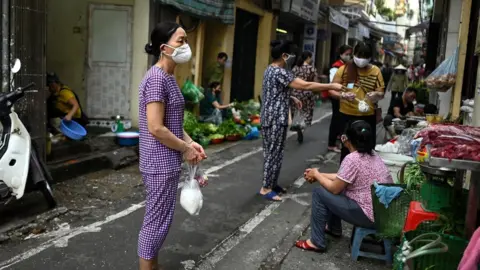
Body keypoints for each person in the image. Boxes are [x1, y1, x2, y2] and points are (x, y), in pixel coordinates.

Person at [138, 21, 207, 270]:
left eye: (186, 40)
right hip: (158, 162)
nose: (185, 46)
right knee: (155, 224)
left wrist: (190, 142)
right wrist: (184, 149)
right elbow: (156, 127)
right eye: (181, 41)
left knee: (160, 222)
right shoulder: (157, 78)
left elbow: (172, 122)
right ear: (164, 48)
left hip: (166, 161)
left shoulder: (167, 77)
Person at [259, 40, 344, 201]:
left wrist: (290, 97)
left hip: (270, 116)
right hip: (275, 118)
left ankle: (272, 183)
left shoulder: (270, 70)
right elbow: (306, 85)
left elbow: (273, 91)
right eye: (291, 55)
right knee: (273, 153)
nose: (293, 58)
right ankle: (266, 188)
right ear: (284, 55)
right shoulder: (280, 72)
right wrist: (331, 85)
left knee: (276, 152)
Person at [295, 120, 393, 252]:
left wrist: (317, 175)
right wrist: (319, 174)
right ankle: (333, 228)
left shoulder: (352, 159)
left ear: (347, 139)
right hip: (382, 213)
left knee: (320, 193)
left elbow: (335, 188)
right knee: (339, 188)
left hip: (368, 216)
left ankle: (316, 242)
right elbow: (342, 178)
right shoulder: (372, 154)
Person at [329, 42, 385, 164]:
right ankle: (345, 176)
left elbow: (381, 93)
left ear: (370, 57)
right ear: (354, 55)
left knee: (367, 149)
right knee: (346, 148)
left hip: (367, 117)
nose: (362, 59)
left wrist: (376, 95)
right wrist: (342, 95)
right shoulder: (343, 70)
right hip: (346, 116)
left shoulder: (376, 71)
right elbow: (331, 90)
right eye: (360, 55)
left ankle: (366, 177)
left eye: (366, 56)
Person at [328, 45, 352, 152]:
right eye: (346, 54)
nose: (348, 56)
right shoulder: (336, 67)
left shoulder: (348, 66)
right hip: (337, 96)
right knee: (336, 120)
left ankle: (339, 139)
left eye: (349, 54)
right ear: (341, 54)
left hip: (345, 96)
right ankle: (331, 144)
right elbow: (332, 83)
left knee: (342, 120)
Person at [291, 51, 318, 143]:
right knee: (307, 112)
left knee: (298, 111)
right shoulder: (312, 69)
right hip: (307, 94)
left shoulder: (295, 68)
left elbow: (291, 80)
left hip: (296, 93)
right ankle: (301, 127)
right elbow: (315, 83)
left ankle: (296, 124)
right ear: (308, 58)